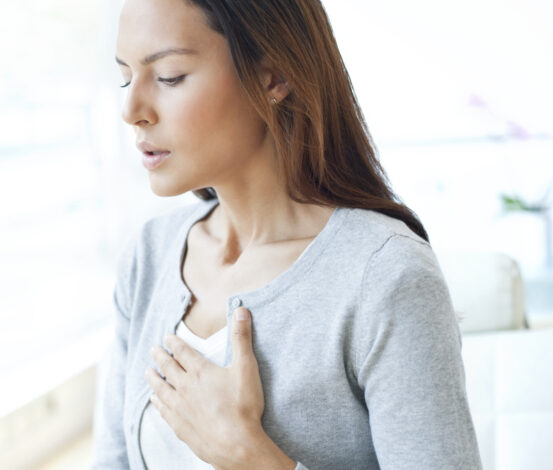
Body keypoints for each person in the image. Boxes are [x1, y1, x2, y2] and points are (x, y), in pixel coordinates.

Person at [91, 0, 483, 469]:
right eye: (125, 78)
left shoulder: (384, 276)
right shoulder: (149, 256)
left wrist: (251, 456)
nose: (131, 110)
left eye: (169, 76)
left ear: (273, 76)